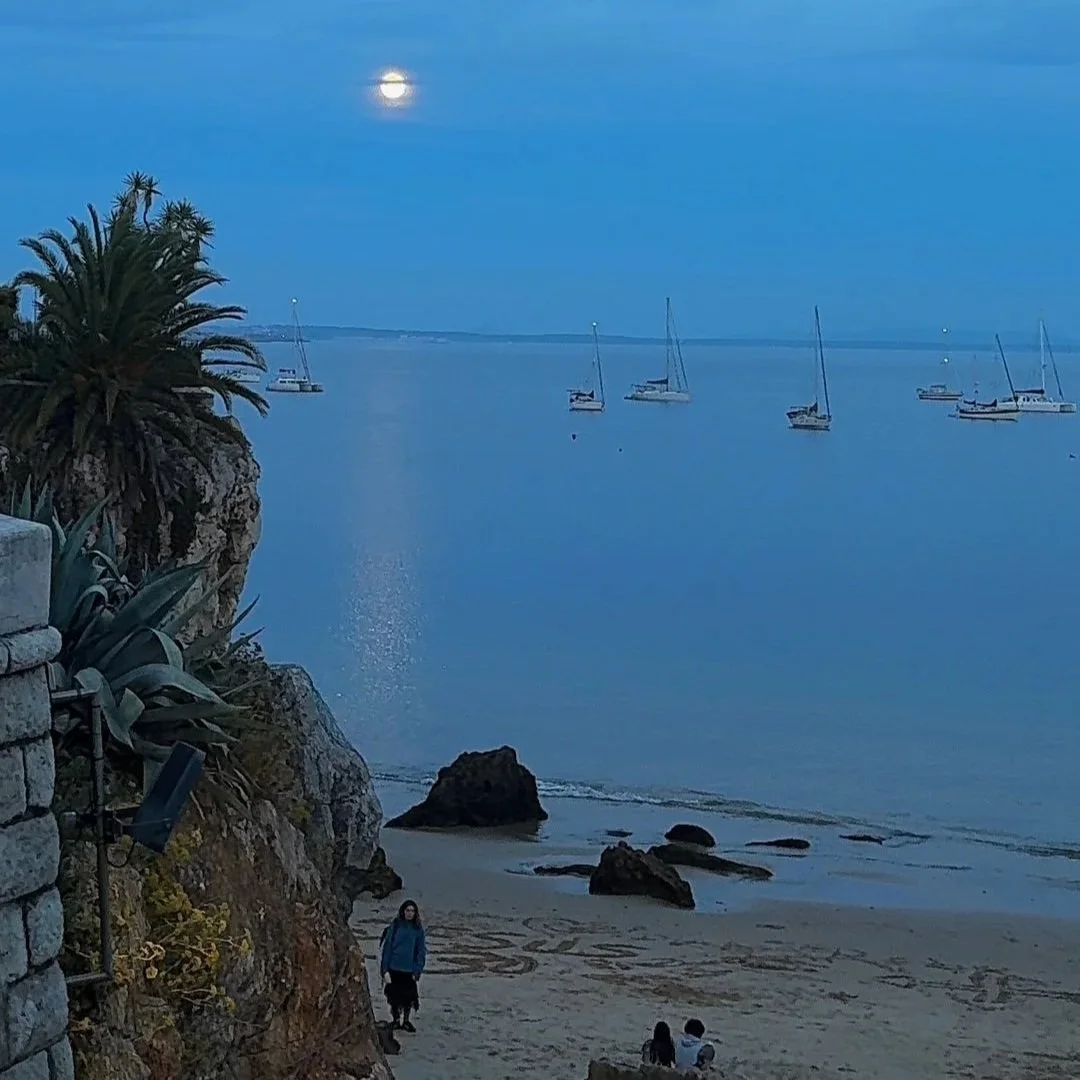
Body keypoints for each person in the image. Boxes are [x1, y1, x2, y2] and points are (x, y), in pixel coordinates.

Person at [379, 899, 427, 1032]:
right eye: (407, 910)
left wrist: (417, 970)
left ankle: (406, 1021)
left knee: (409, 997)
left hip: (409, 970)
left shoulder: (418, 930)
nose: (410, 913)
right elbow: (387, 947)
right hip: (394, 967)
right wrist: (384, 970)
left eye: (412, 911)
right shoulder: (395, 926)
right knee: (393, 996)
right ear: (403, 911)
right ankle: (395, 1020)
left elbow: (420, 951)